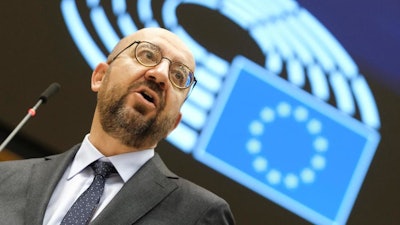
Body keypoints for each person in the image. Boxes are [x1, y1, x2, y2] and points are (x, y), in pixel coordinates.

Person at [0, 27, 235, 225]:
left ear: (174, 124)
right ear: (100, 77)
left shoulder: (199, 214)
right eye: (147, 55)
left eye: (179, 76)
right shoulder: (7, 178)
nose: (160, 75)